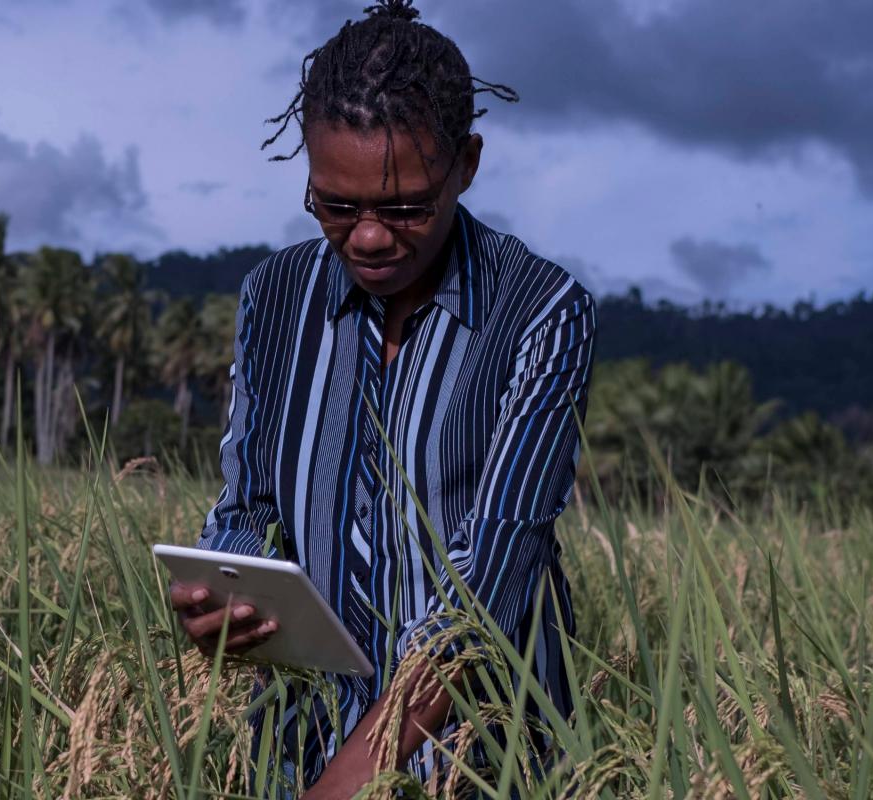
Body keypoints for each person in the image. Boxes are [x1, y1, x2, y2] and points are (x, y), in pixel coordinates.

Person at [167, 0, 597, 795]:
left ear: (466, 164)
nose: (367, 236)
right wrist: (220, 601)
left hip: (480, 758)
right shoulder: (275, 295)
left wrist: (345, 782)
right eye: (335, 205)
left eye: (405, 208)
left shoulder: (542, 312)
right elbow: (247, 503)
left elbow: (491, 578)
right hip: (301, 738)